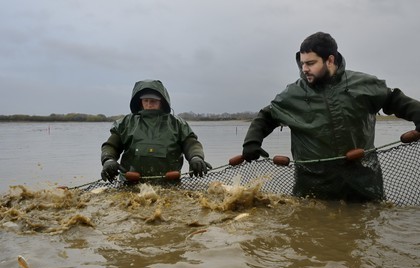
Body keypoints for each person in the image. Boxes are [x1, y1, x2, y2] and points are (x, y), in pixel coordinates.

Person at [242, 31, 420, 202]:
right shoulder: (292, 94)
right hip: (312, 186)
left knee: (368, 223)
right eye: (302, 63)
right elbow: (266, 116)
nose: (304, 69)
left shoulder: (363, 85)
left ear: (330, 60)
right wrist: (252, 142)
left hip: (363, 183)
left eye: (310, 63)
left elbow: (395, 99)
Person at [101, 79, 212, 183]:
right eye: (146, 101)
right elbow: (111, 146)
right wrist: (108, 160)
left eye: (153, 101)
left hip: (169, 184)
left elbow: (191, 143)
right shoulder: (125, 123)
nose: (149, 105)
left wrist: (196, 157)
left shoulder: (177, 124)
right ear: (140, 102)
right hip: (130, 183)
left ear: (162, 102)